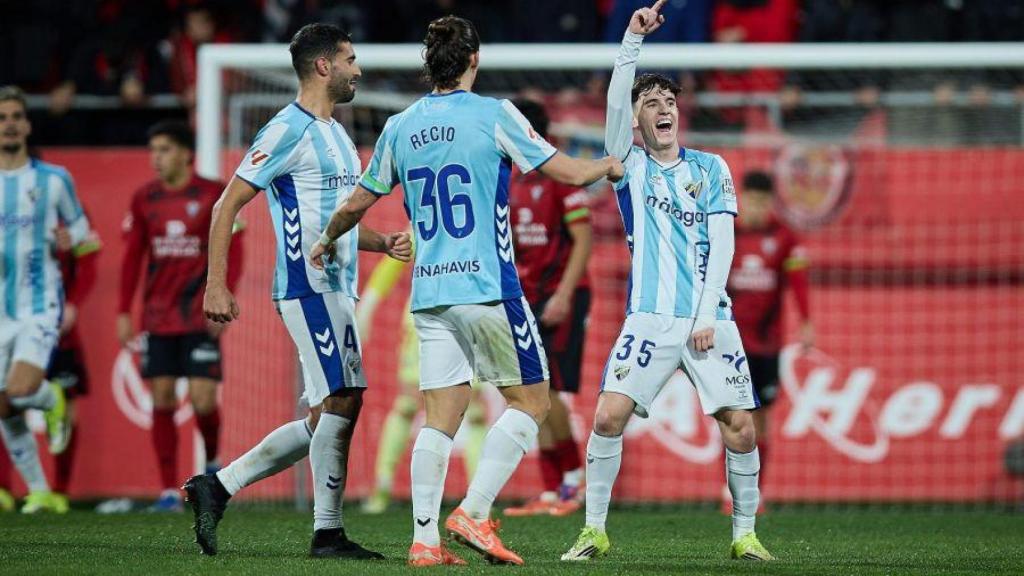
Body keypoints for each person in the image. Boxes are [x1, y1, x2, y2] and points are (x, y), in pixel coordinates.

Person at [311, 15, 623, 567]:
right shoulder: (495, 114)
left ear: (428, 65)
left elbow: (358, 204)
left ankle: (425, 541)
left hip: (429, 295)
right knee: (531, 401)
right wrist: (614, 164)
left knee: (439, 417)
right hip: (487, 288)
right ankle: (474, 512)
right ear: (475, 60)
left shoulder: (400, 126)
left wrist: (325, 239)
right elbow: (571, 175)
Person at [188, 23, 410, 559]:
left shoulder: (335, 132)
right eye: (351, 59)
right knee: (344, 397)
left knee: (328, 410)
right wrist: (215, 283)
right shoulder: (284, 129)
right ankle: (327, 532)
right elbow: (226, 206)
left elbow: (332, 222)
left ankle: (216, 486)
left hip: (339, 287)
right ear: (323, 66)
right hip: (306, 288)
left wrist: (383, 242)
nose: (359, 70)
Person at [561, 2, 773, 562]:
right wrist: (631, 42)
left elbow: (724, 245)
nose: (663, 109)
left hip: (710, 318)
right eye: (651, 103)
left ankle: (746, 535)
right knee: (607, 416)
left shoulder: (713, 168)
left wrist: (706, 316)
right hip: (650, 318)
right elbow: (614, 103)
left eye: (669, 102)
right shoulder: (627, 165)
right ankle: (594, 530)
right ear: (635, 119)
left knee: (742, 430)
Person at [118, 120, 240, 512]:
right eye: (153, 150)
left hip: (198, 313)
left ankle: (210, 465)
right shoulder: (144, 198)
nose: (156, 158)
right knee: (162, 396)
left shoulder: (213, 194)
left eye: (164, 149)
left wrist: (222, 295)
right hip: (158, 315)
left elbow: (233, 249)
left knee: (204, 400)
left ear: (186, 153)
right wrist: (124, 310)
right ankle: (169, 489)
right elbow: (133, 257)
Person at [503, 98, 592, 517]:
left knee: (550, 389)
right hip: (528, 295)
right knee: (530, 390)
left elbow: (583, 240)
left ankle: (573, 483)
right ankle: (552, 489)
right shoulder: (512, 180)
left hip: (560, 294)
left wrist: (564, 295)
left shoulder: (559, 174)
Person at [0, 85, 86, 513]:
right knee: (4, 405)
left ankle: (51, 399)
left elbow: (85, 236)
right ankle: (39, 492)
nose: (10, 124)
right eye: (2, 118)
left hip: (39, 305)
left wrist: (70, 240)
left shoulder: (54, 180)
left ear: (27, 124)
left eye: (16, 115)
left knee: (21, 389)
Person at [358, 254, 489, 515]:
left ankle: (478, 497)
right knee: (413, 404)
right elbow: (395, 258)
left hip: (459, 312)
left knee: (472, 410)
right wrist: (368, 305)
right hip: (437, 312)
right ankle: (383, 487)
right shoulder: (428, 215)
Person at [722, 169, 812, 512]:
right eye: (752, 200)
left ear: (770, 202)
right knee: (732, 417)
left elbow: (799, 282)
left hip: (767, 345)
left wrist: (806, 322)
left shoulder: (784, 238)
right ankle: (728, 490)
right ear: (742, 199)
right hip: (730, 345)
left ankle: (755, 492)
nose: (756, 207)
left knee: (761, 421)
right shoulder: (729, 232)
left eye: (763, 201)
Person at [48, 206, 102, 510]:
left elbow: (89, 260)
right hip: (11, 320)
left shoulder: (68, 211)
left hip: (58, 329)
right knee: (8, 402)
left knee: (66, 403)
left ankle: (58, 491)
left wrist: (73, 303)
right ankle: (5, 488)